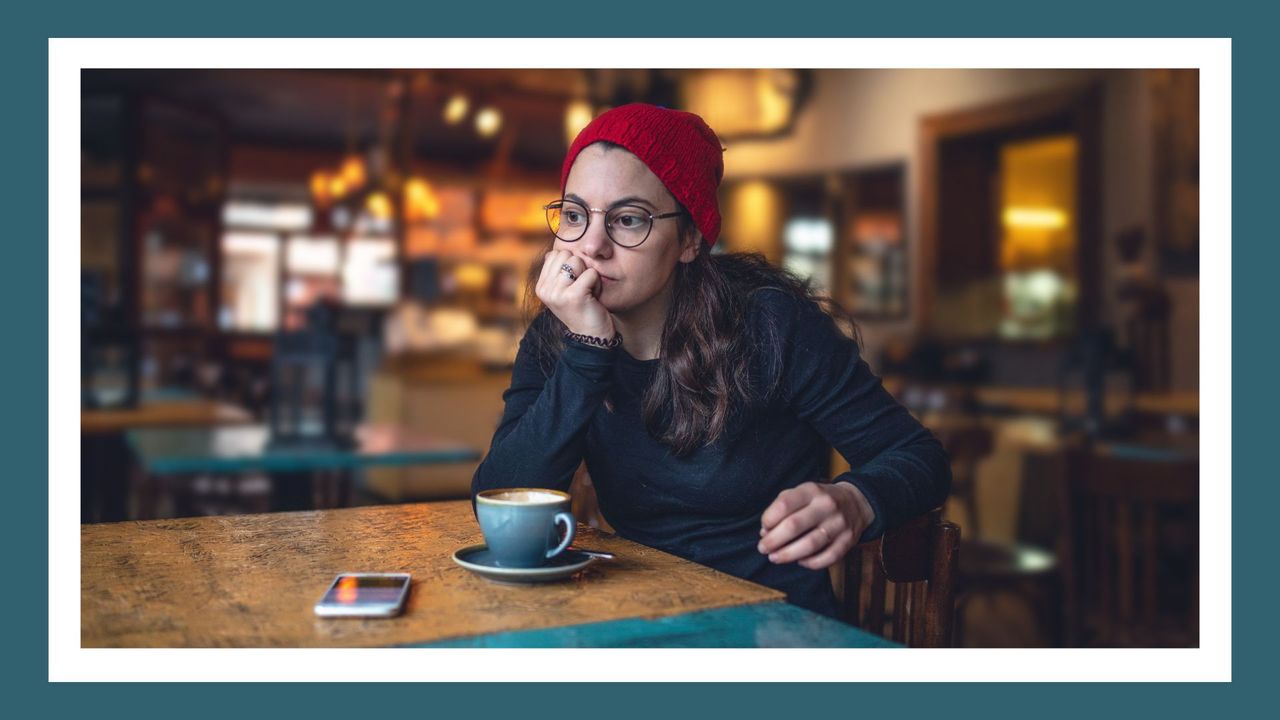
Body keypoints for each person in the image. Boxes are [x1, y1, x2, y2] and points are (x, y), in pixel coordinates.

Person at [472, 103, 950, 618]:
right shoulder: (560, 330)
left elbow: (919, 457)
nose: (591, 246)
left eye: (629, 219)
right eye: (573, 214)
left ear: (690, 239)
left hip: (775, 627)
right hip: (635, 621)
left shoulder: (769, 325)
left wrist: (858, 500)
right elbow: (498, 498)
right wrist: (586, 352)